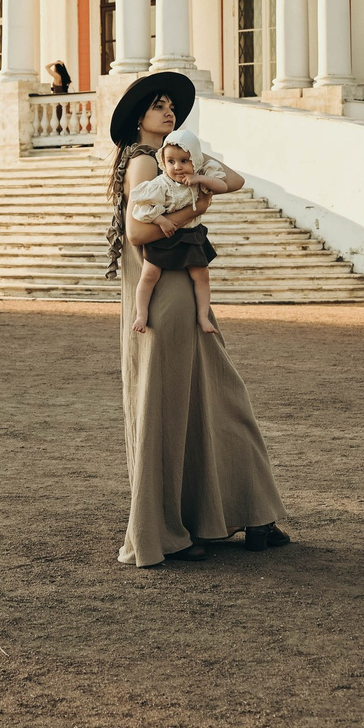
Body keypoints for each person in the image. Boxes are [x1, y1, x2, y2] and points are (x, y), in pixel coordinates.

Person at [106, 72, 291, 567]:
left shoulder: (171, 157)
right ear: (139, 117)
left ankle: (245, 515)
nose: (169, 112)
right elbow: (138, 232)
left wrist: (195, 158)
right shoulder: (143, 162)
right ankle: (169, 531)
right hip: (164, 295)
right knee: (177, 404)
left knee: (213, 398)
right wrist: (196, 208)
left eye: (172, 106)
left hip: (182, 292)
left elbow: (232, 176)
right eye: (159, 106)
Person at [128, 126, 233, 336]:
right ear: (163, 162)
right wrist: (161, 220)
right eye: (171, 161)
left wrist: (200, 180)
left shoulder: (201, 177)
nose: (177, 167)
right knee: (149, 275)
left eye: (184, 161)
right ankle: (141, 314)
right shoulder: (161, 184)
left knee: (201, 275)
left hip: (191, 235)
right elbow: (140, 210)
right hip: (164, 236)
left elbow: (222, 186)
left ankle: (203, 316)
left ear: (195, 160)